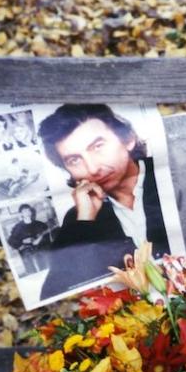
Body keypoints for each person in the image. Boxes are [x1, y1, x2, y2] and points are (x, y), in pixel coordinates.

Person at [37, 104, 169, 300]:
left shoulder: (169, 176)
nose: (92, 168)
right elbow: (53, 292)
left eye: (98, 147)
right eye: (74, 160)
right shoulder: (80, 217)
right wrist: (84, 222)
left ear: (128, 139)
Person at [7, 204, 48, 275]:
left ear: (31, 212)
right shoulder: (18, 227)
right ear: (21, 214)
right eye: (25, 211)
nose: (27, 212)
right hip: (26, 249)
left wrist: (40, 239)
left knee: (43, 260)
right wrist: (22, 241)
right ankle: (33, 274)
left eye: (29, 210)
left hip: (39, 247)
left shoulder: (39, 224)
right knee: (28, 258)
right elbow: (11, 241)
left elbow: (46, 231)